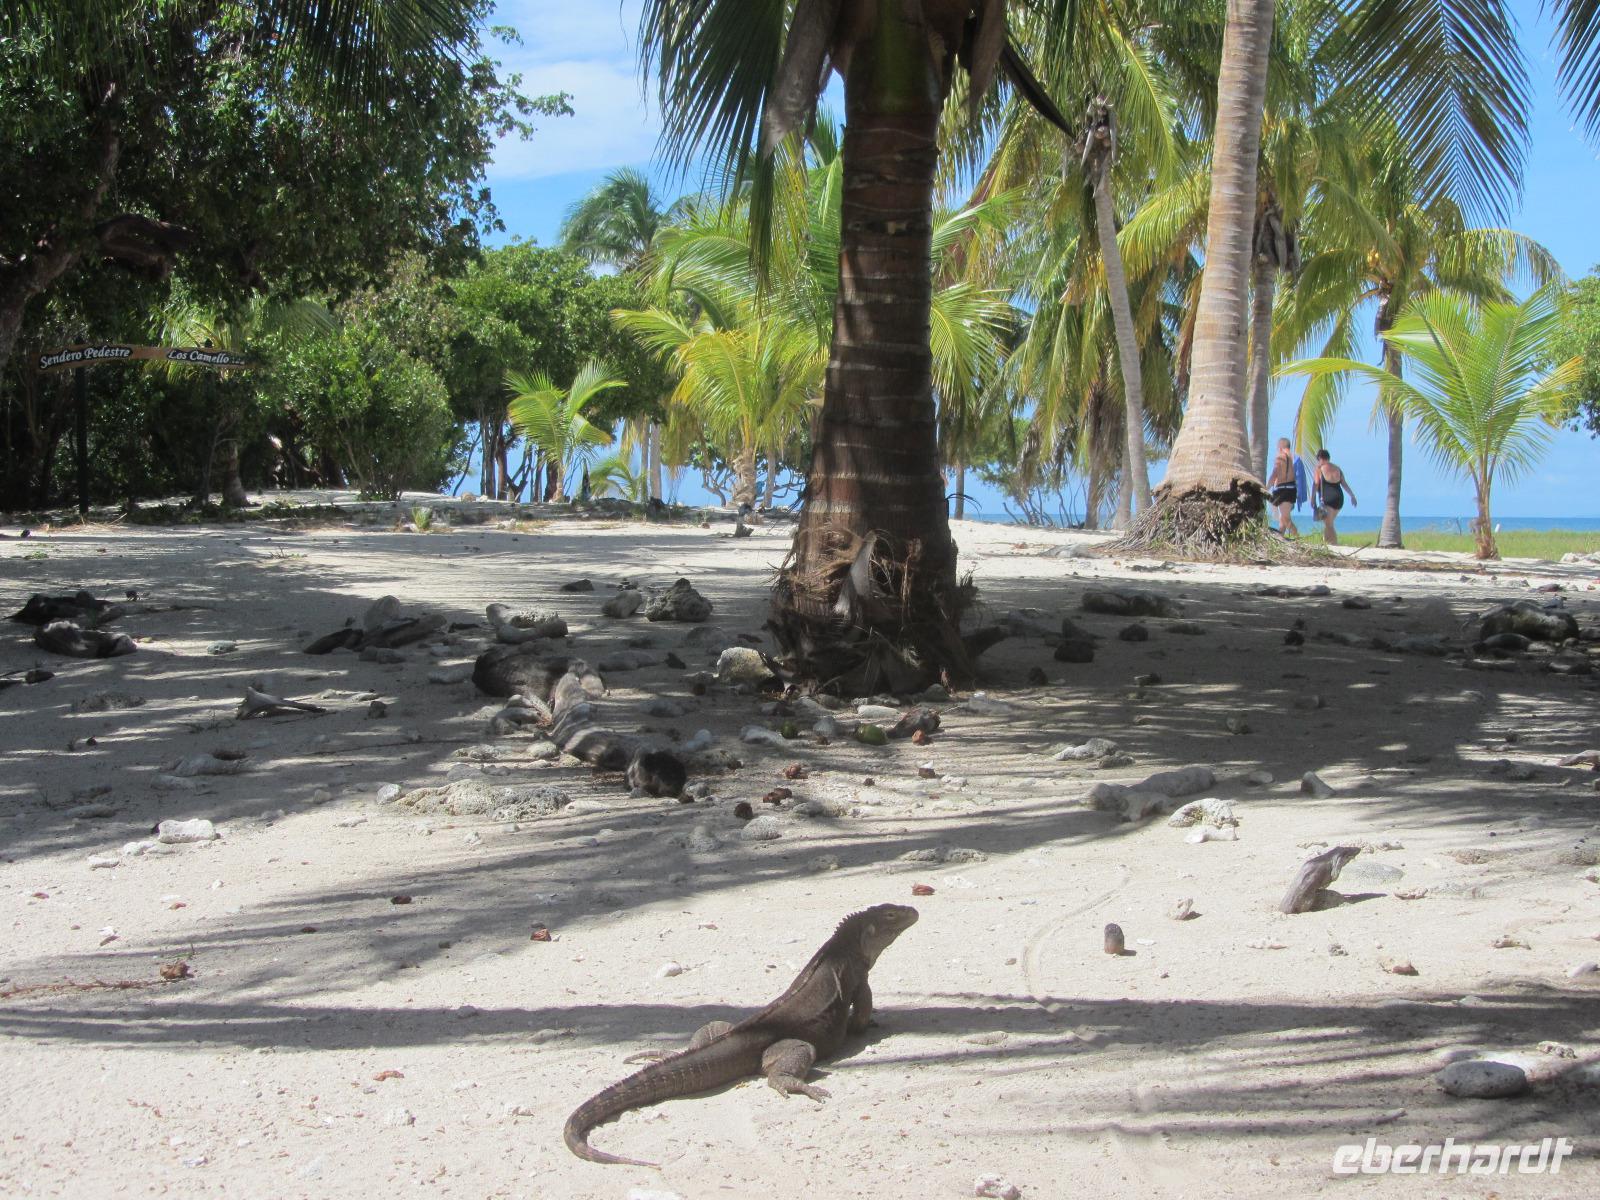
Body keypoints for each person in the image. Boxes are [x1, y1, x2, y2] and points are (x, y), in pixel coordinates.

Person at [1312, 449, 1357, 544]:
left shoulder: (1319, 469)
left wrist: (1312, 499)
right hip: (1339, 499)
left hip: (1328, 499)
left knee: (1329, 525)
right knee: (1328, 523)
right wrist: (1352, 495)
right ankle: (1325, 543)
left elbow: (1316, 483)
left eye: (1318, 459)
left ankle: (1335, 545)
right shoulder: (1338, 468)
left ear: (1320, 458)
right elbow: (1344, 484)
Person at [1266, 437, 1299, 537]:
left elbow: (1275, 473)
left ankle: (1298, 539)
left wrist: (1266, 488)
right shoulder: (1295, 457)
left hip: (1283, 489)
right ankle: (1281, 538)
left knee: (1285, 518)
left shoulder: (1281, 456)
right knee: (1282, 519)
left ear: (1280, 447)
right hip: (1292, 488)